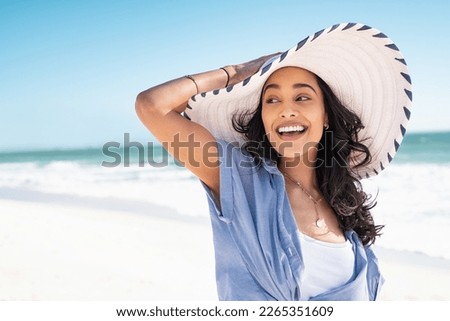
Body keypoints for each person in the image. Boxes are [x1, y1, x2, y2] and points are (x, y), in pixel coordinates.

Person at [135, 22, 412, 300]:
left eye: (302, 97)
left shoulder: (344, 203)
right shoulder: (239, 180)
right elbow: (153, 106)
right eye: (272, 100)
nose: (286, 110)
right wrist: (235, 73)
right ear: (263, 119)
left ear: (326, 115)